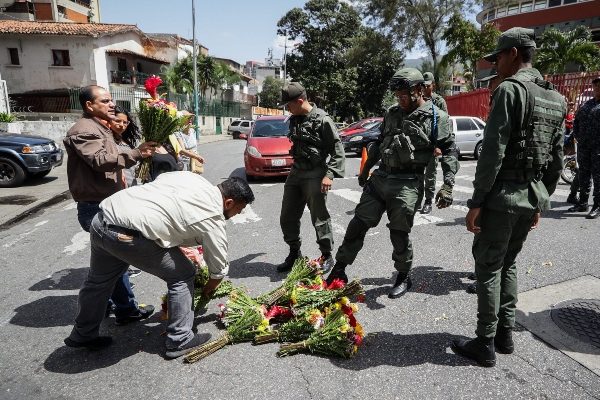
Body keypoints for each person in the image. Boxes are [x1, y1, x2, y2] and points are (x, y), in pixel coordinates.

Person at [453, 28, 566, 367]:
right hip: (529, 196)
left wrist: (475, 203)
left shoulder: (510, 90)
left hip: (502, 198)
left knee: (488, 267)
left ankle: (484, 342)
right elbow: (556, 159)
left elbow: (493, 154)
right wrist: (539, 201)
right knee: (510, 263)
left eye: (499, 56)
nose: (496, 63)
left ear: (514, 54)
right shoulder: (556, 99)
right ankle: (505, 335)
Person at [64, 174, 254, 359]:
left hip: (102, 220)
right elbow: (218, 268)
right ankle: (179, 339)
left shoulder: (193, 179)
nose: (238, 213)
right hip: (127, 236)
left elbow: (165, 200)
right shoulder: (214, 216)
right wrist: (208, 289)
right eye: (239, 209)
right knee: (183, 274)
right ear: (228, 203)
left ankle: (83, 333)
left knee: (98, 281)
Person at [325, 68, 459, 299]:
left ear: (419, 90)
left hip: (408, 182)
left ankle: (403, 275)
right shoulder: (392, 113)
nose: (400, 99)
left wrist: (447, 186)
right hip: (381, 178)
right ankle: (340, 269)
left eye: (404, 94)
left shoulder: (437, 118)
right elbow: (379, 142)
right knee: (358, 224)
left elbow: (449, 151)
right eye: (397, 95)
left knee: (399, 234)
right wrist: (366, 169)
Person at [63, 85, 156, 324]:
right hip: (96, 207)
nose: (111, 104)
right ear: (89, 105)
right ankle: (107, 311)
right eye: (104, 101)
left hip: (108, 204)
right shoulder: (83, 131)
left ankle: (121, 308)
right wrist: (136, 153)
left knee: (113, 263)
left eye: (111, 99)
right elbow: (101, 160)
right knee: (109, 266)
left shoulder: (100, 127)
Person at [277, 82, 346, 274]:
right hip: (296, 172)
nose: (287, 109)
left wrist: (330, 174)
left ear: (300, 101)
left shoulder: (322, 120)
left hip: (315, 174)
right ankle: (294, 253)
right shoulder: (295, 118)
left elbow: (337, 149)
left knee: (319, 217)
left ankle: (326, 255)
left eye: (288, 105)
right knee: (287, 216)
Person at [567, 77, 600, 218]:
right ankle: (582, 203)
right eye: (595, 85)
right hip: (584, 147)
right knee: (583, 175)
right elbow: (577, 122)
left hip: (598, 148)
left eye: (599, 86)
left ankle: (597, 206)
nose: (597, 88)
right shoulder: (587, 104)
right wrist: (578, 137)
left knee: (598, 177)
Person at [419, 71, 449, 214]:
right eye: (423, 86)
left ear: (433, 86)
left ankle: (428, 201)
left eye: (427, 85)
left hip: (432, 144)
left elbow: (444, 124)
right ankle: (416, 199)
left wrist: (439, 146)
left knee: (430, 174)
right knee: (417, 173)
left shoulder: (439, 101)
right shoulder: (419, 99)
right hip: (419, 144)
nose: (425, 88)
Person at [108, 105, 141, 187]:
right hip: (116, 188)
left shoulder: (128, 142)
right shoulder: (107, 142)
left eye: (125, 122)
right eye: (117, 121)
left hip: (132, 186)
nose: (122, 125)